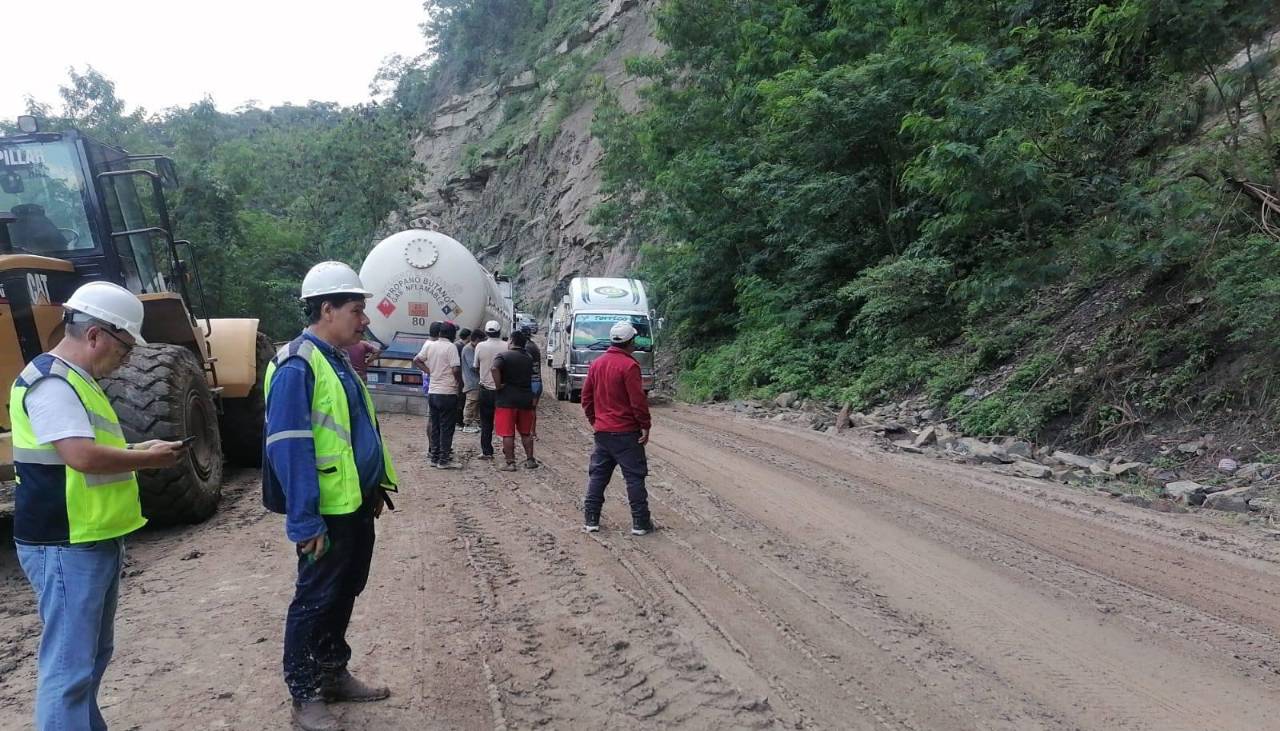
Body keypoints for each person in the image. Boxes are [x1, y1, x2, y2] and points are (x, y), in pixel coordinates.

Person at [10, 281, 184, 731]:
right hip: (65, 542)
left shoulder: (76, 381)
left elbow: (91, 449)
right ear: (95, 335)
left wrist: (138, 446)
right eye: (124, 347)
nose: (126, 359)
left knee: (90, 657)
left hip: (90, 538)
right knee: (69, 670)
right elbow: (81, 456)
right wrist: (145, 460)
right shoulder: (50, 382)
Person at [262, 261, 400, 731]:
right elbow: (290, 447)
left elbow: (357, 431)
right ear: (327, 309)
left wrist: (375, 482)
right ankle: (304, 693)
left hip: (354, 503)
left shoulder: (337, 359)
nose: (364, 321)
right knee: (314, 598)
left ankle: (333, 672)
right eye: (357, 310)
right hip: (325, 511)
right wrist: (304, 521)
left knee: (345, 590)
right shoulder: (298, 364)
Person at [581, 321, 653, 535]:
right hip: (626, 433)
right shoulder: (629, 366)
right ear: (630, 341)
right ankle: (640, 523)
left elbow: (586, 398)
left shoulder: (597, 364)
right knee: (634, 477)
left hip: (603, 432)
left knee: (598, 476)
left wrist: (596, 421)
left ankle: (591, 520)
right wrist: (645, 425)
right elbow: (637, 401)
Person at [413, 320, 463, 469]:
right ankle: (444, 460)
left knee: (435, 426)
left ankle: (434, 458)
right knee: (447, 427)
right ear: (452, 334)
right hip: (447, 392)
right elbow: (455, 369)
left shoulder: (431, 345)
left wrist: (430, 372)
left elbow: (417, 360)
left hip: (433, 392)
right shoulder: (451, 347)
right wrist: (460, 384)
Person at [491, 330, 538, 471]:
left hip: (506, 400)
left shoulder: (503, 356)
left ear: (511, 341)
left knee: (508, 433)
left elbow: (494, 368)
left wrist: (498, 385)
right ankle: (530, 460)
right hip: (525, 399)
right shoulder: (529, 357)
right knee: (525, 432)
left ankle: (510, 463)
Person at [472, 320, 506, 461]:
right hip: (503, 390)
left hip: (485, 390)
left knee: (486, 423)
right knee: (505, 422)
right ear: (499, 332)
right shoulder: (506, 346)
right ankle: (507, 451)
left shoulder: (480, 346)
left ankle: (487, 451)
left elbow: (475, 366)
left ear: (486, 332)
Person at [460, 329, 483, 433]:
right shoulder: (468, 349)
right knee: (471, 402)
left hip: (476, 382)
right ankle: (467, 424)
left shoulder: (473, 348)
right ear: (477, 339)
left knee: (477, 404)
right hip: (471, 381)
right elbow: (473, 366)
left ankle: (476, 423)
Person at [455, 327, 471, 430]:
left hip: (459, 376)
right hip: (460, 376)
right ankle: (459, 421)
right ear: (468, 336)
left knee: (461, 398)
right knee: (461, 399)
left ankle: (459, 420)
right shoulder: (461, 347)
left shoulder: (457, 345)